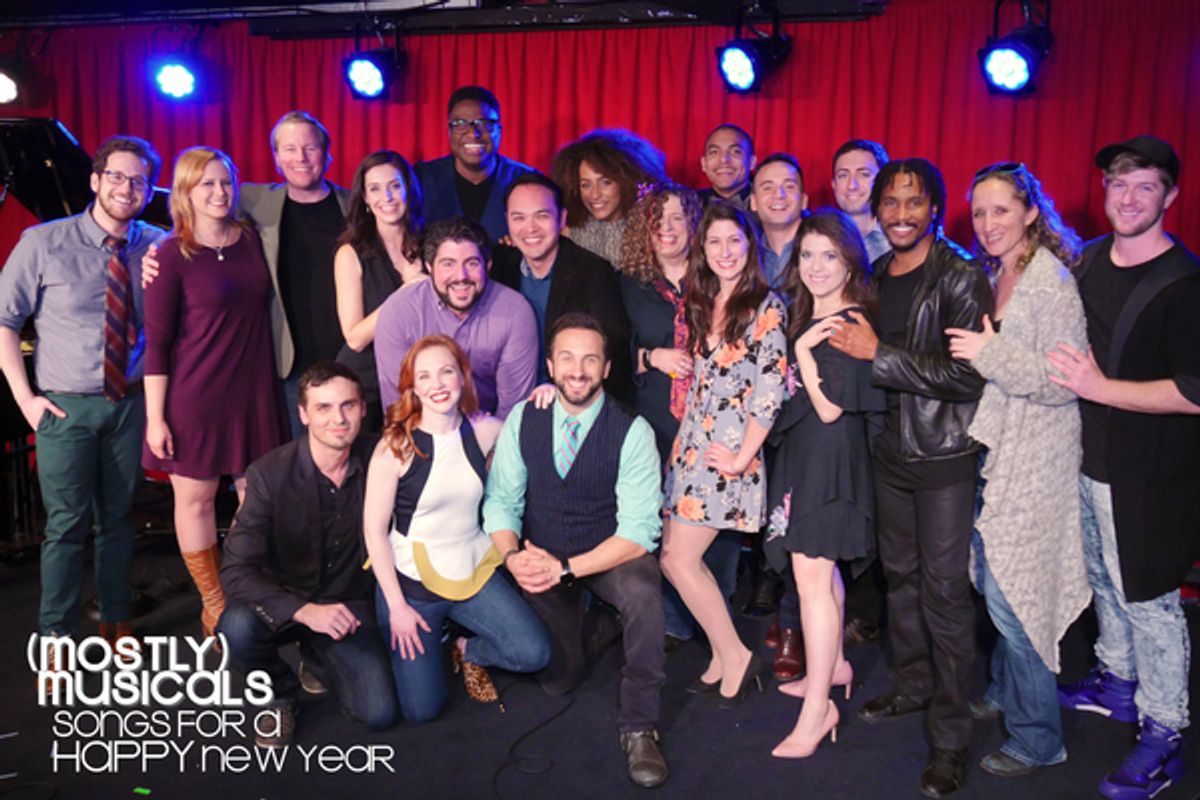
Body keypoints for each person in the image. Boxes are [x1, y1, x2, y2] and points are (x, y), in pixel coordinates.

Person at [829, 158, 992, 798]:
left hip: (944, 457)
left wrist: (881, 357)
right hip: (887, 454)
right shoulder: (872, 275)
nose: (900, 214)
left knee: (946, 596)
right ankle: (913, 683)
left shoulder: (958, 275)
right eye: (890, 203)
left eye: (913, 203)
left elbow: (968, 377)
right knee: (900, 578)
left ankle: (950, 738)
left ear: (935, 209)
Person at [1049, 136, 1200, 800]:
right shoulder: (1085, 260)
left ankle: (1166, 730)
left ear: (1171, 196)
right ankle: (1117, 682)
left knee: (1152, 602)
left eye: (1146, 186)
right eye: (1119, 184)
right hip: (1085, 458)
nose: (1129, 198)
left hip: (1148, 475)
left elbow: (1196, 390)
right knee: (1104, 581)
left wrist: (1100, 387)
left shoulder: (1185, 284)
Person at [944, 162, 1090, 778]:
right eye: (979, 213)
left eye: (1000, 210)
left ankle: (1038, 737)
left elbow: (1063, 384)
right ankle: (1006, 690)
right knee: (996, 582)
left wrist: (989, 352)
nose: (987, 224)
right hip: (1000, 453)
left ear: (1032, 212)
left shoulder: (1051, 284)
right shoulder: (997, 273)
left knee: (1017, 599)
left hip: (1038, 458)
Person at [483, 313, 669, 789]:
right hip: (543, 553)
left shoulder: (633, 431)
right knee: (558, 680)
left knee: (646, 599)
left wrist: (567, 569)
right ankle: (601, 627)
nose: (578, 369)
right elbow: (502, 501)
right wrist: (512, 558)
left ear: (607, 368)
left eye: (590, 358)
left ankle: (640, 726)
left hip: (607, 553)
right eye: (567, 357)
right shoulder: (526, 417)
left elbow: (639, 532)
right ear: (550, 364)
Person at [0, 135, 163, 652]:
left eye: (137, 180)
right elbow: (4, 320)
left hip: (129, 403)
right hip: (64, 407)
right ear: (94, 181)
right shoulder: (42, 243)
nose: (126, 187)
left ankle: (116, 621)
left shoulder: (158, 245)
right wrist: (25, 400)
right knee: (66, 529)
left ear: (148, 189)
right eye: (115, 176)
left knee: (118, 520)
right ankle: (56, 636)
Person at [364, 335, 550, 722]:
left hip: (472, 567)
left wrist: (547, 392)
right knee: (421, 711)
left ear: (462, 377)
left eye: (446, 372)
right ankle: (432, 634)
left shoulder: (484, 429)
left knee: (533, 653)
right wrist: (397, 607)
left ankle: (466, 650)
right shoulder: (395, 446)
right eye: (425, 376)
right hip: (413, 585)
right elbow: (373, 533)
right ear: (412, 387)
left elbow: (530, 419)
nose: (437, 384)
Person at [142, 147, 288, 639]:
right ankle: (215, 603)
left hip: (253, 389)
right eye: (206, 184)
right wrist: (156, 418)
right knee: (197, 499)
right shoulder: (168, 254)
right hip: (195, 393)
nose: (219, 192)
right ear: (184, 191)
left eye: (225, 182)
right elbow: (157, 344)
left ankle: (247, 590)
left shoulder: (250, 239)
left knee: (256, 496)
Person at [218, 362, 397, 747]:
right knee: (234, 627)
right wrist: (303, 611)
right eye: (324, 408)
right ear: (303, 414)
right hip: (284, 597)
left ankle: (316, 656)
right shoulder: (269, 474)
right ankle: (278, 696)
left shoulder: (381, 458)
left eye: (348, 405)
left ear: (363, 409)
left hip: (349, 602)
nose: (339, 418)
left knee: (378, 713)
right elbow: (235, 570)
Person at [144, 111, 352, 437]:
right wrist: (156, 247)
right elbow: (196, 213)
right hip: (285, 368)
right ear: (277, 158)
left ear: (327, 154)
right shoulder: (255, 201)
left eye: (310, 148)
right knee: (293, 473)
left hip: (349, 358)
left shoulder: (357, 205)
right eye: (290, 149)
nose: (300, 157)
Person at [766, 209, 885, 758]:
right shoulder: (805, 313)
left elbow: (833, 409)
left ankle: (818, 710)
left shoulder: (845, 323)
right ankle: (833, 666)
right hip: (808, 455)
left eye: (829, 256)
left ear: (849, 262)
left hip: (831, 459)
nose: (816, 266)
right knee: (821, 572)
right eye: (807, 254)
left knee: (812, 579)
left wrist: (805, 354)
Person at [660, 203, 788, 705]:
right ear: (702, 250)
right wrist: (679, 439)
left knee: (678, 558)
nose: (725, 252)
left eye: (734, 241)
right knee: (679, 559)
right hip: (693, 446)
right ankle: (722, 651)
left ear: (750, 245)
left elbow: (770, 389)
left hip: (729, 452)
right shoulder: (702, 299)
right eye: (714, 243)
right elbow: (698, 381)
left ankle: (736, 653)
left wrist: (742, 458)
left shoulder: (767, 305)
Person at [617, 183, 741, 650]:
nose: (666, 228)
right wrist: (651, 356)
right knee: (661, 517)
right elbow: (610, 348)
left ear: (694, 223)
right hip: (655, 417)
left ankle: (718, 614)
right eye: (656, 218)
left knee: (716, 520)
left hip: (713, 422)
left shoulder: (719, 277)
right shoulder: (628, 284)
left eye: (676, 217)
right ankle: (670, 615)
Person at [373, 216, 538, 417]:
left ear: (488, 266)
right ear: (430, 267)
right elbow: (399, 408)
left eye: (471, 263)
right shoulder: (399, 311)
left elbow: (513, 411)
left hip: (492, 436)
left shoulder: (515, 311)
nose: (461, 276)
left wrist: (489, 444)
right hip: (422, 435)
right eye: (448, 264)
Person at [491, 173, 632, 399]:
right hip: (511, 401)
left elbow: (613, 351)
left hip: (571, 402)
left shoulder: (593, 272)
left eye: (542, 216)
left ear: (562, 218)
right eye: (519, 218)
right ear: (507, 220)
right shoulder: (498, 267)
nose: (530, 228)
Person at [334, 149, 427, 432]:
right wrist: (405, 290)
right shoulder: (351, 253)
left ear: (408, 190)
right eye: (375, 189)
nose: (386, 198)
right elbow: (355, 338)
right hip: (368, 386)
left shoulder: (430, 244)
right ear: (365, 199)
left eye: (394, 186)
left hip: (421, 382)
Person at [415, 85, 537, 241]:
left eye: (484, 123)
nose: (473, 134)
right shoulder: (422, 179)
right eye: (460, 124)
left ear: (499, 130)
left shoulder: (527, 181)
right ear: (449, 132)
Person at [551, 129, 668, 266]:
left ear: (627, 181)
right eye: (585, 185)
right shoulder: (568, 233)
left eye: (606, 182)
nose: (595, 194)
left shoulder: (652, 229)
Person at [751, 152, 809, 290]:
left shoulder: (828, 248)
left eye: (789, 187)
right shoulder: (745, 254)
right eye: (767, 188)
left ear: (803, 201)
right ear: (753, 202)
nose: (779, 195)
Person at [831, 139, 892, 265]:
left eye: (864, 174)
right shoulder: (820, 237)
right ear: (833, 184)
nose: (852, 185)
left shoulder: (902, 237)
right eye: (843, 175)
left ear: (884, 181)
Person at [698, 124, 756, 211]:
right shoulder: (691, 205)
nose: (724, 159)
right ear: (703, 164)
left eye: (736, 152)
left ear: (752, 162)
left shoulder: (767, 203)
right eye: (714, 152)